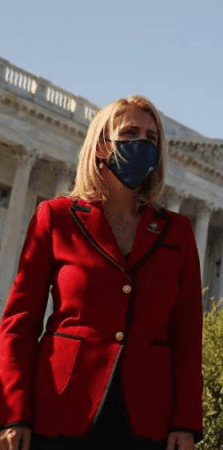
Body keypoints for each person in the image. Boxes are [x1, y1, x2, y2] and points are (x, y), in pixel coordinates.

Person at [0, 95, 203, 450]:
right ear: (100, 145)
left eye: (151, 138)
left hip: (146, 416)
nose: (142, 144)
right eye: (130, 133)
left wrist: (185, 422)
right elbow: (20, 321)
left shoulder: (177, 231)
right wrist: (13, 413)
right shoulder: (57, 218)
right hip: (62, 408)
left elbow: (187, 333)